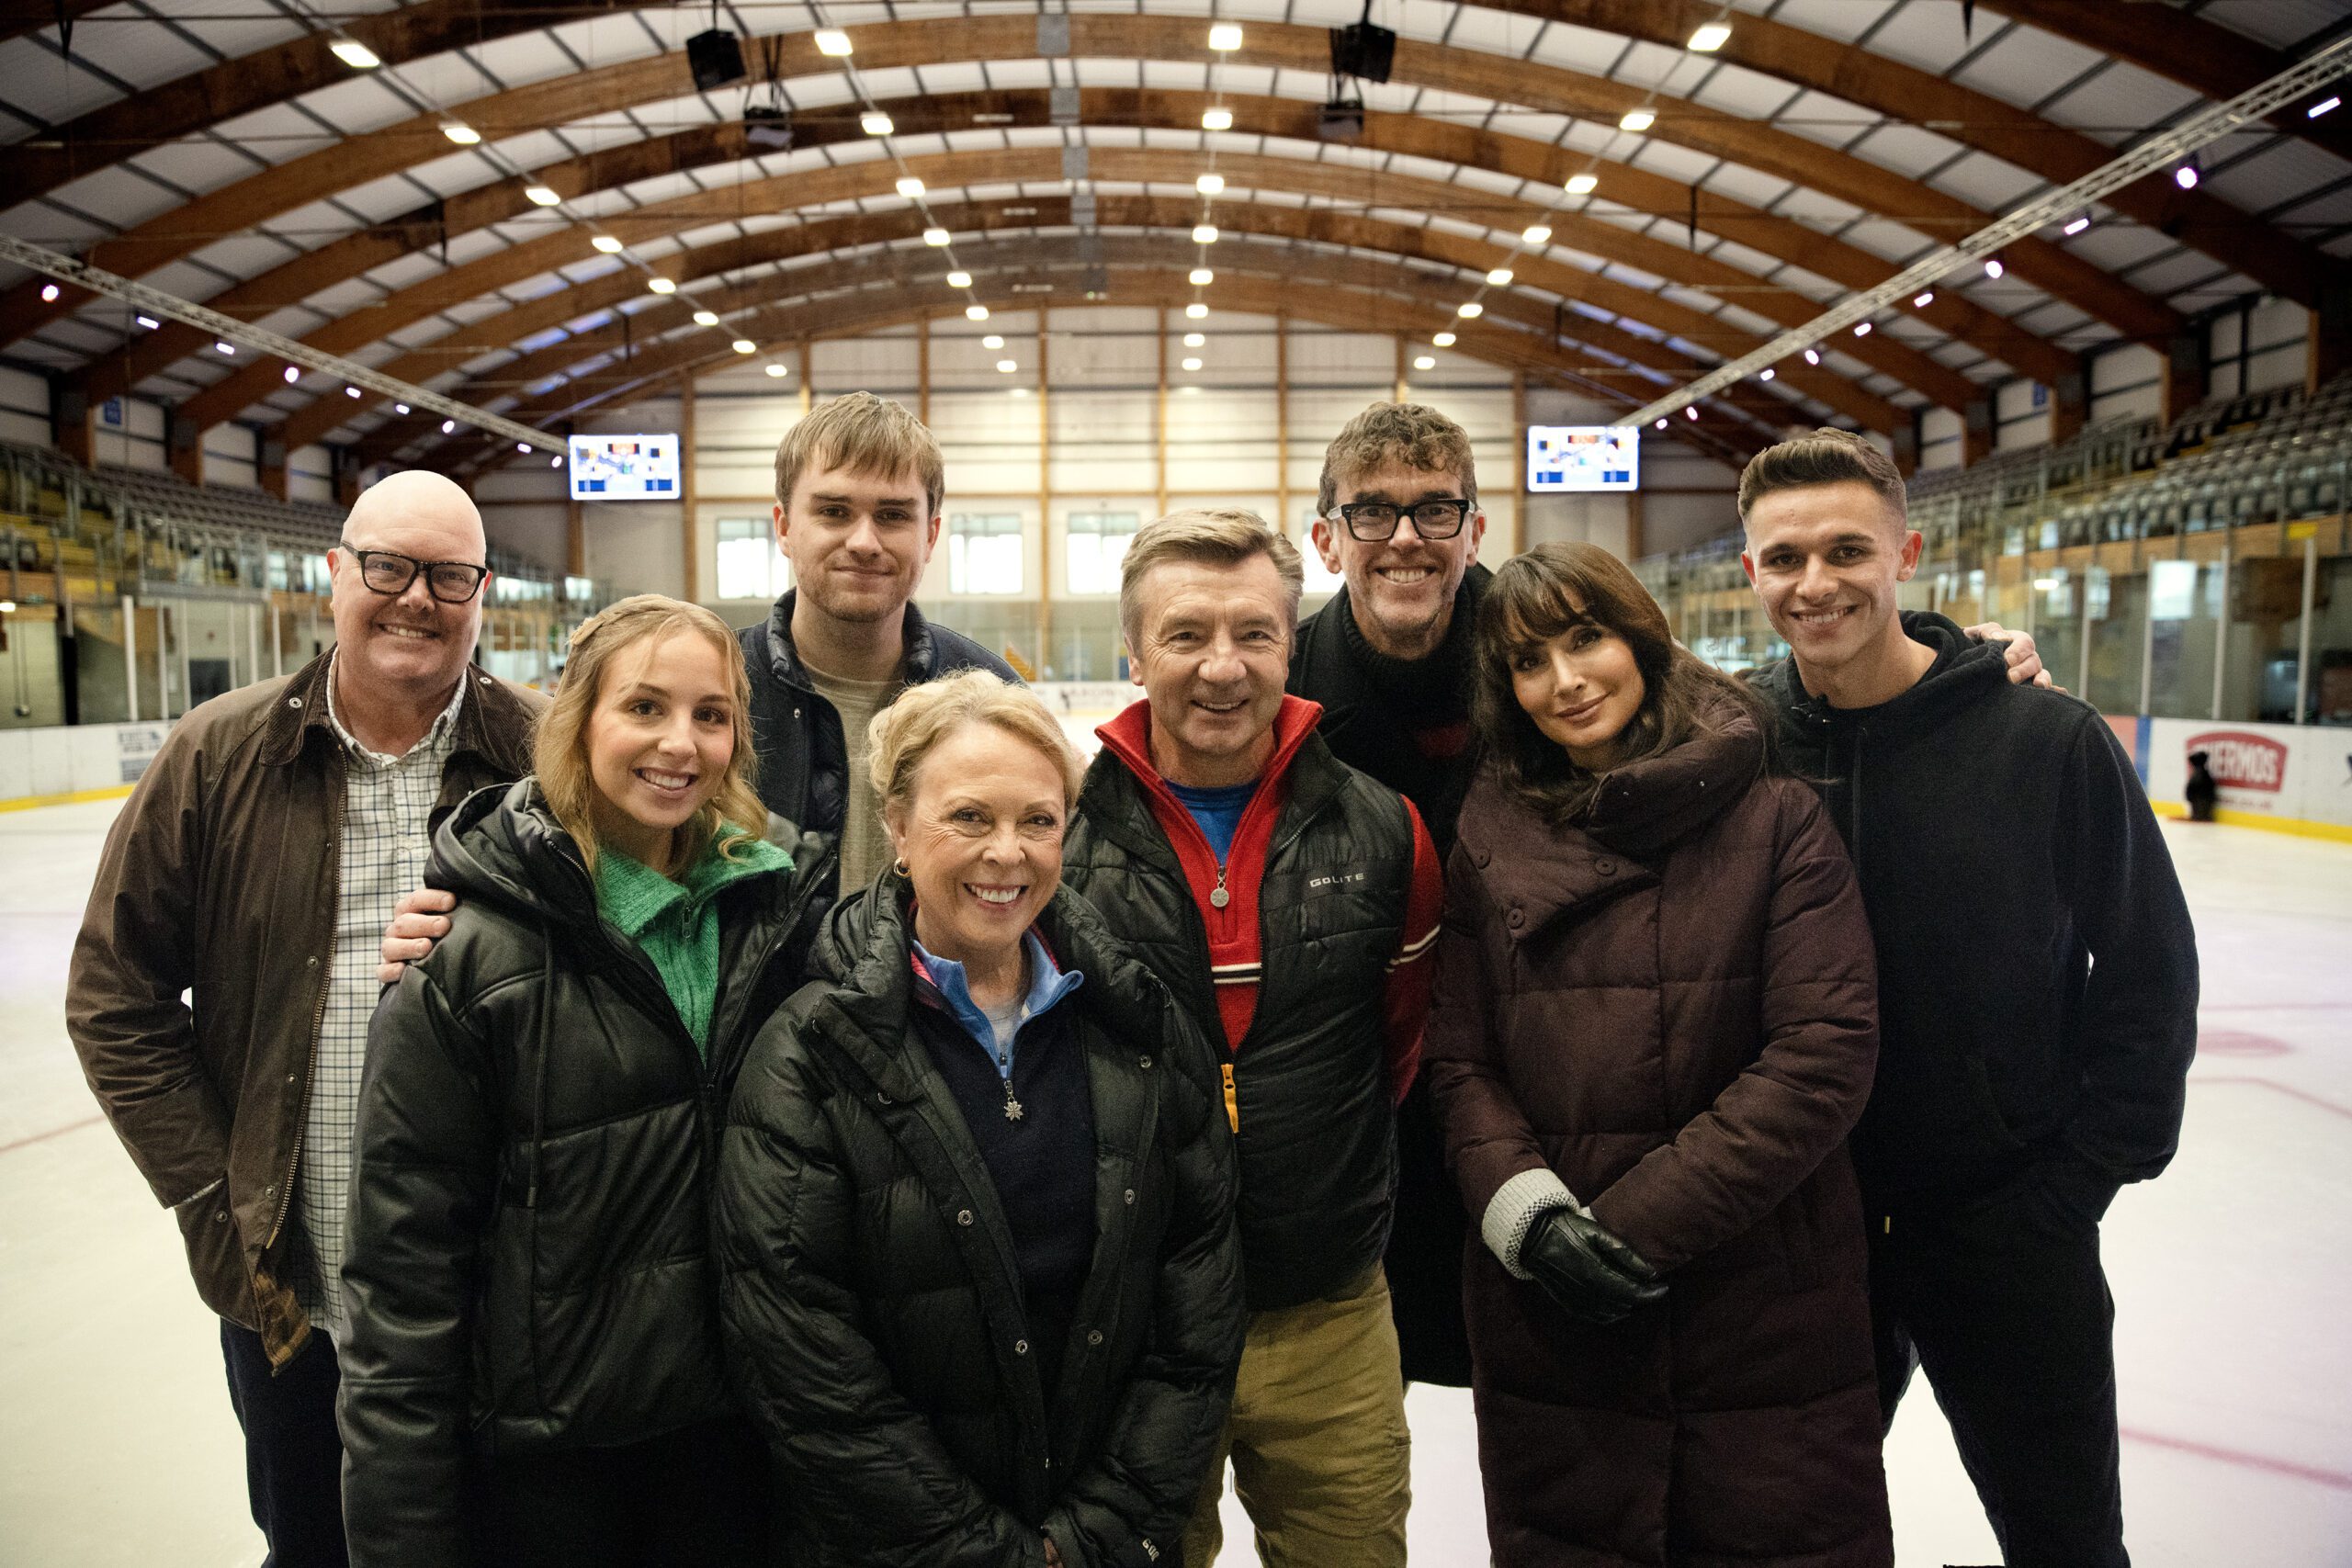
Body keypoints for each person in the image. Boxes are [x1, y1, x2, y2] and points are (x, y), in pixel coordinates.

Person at [1739, 427, 2199, 1568]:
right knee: (1788, 1536)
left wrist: (2078, 1180)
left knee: (2063, 1538)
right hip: (1804, 1230)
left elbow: (2146, 969)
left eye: (1847, 549)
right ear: (1749, 571)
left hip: (2004, 1226)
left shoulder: (2041, 738)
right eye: (1783, 558)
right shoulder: (1731, 742)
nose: (1816, 582)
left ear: (1906, 551)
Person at [65, 470, 541, 1568]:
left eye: (449, 575)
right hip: (297, 1294)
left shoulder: (547, 761)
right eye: (388, 566)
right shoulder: (215, 755)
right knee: (313, 1546)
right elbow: (113, 992)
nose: (415, 597)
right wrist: (209, 1191)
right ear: (335, 574)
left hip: (504, 1300)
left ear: (482, 594)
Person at [336, 595, 827, 1567]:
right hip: (552, 1473)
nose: (680, 744)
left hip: (741, 1446)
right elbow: (403, 1287)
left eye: (710, 715)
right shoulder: (465, 959)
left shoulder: (781, 919)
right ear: (577, 718)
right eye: (643, 708)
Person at [1428, 542, 1892, 1567]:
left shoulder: (1775, 817)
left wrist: (1625, 1232)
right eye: (1529, 661)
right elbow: (1457, 1062)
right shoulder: (1487, 839)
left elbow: (1823, 1050)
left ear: (1640, 637)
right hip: (1553, 1315)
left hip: (1762, 1304)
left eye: (1586, 639)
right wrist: (1534, 1222)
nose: (1567, 680)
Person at [714, 671, 1244, 1567]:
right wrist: (981, 1553)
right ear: (897, 828)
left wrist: (1097, 1531)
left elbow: (1196, 1312)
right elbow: (807, 1366)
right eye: (968, 818)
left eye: (1038, 821)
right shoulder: (809, 1056)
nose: (1008, 852)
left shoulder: (1138, 1026)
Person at [1062, 508, 1443, 1568]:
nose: (1222, 668)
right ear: (1131, 654)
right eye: (1185, 635)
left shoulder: (1384, 831)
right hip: (1130, 1328)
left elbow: (1398, 1048)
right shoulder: (1059, 840)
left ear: (1292, 640)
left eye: (1254, 634)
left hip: (1328, 1313)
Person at [379, 390, 1013, 971]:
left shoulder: (992, 696)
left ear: (930, 534)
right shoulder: (704, 702)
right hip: (742, 1064)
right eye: (835, 510)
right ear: (784, 526)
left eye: (894, 515)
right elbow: (564, 850)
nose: (864, 540)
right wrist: (461, 930)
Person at [1288, 401, 1491, 1388]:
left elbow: (1716, 714)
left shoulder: (1558, 653)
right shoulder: (1275, 685)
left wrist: (1938, 655)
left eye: (1434, 511)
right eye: (1372, 512)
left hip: (1535, 1090)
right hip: (1351, 1104)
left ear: (1474, 532)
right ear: (1328, 540)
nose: (1405, 538)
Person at [2185, 749, 2219, 821]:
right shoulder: (2202, 774)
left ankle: (2201, 814)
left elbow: (2190, 790)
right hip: (2202, 804)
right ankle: (2201, 814)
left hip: (2202, 804)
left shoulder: (2198, 775)